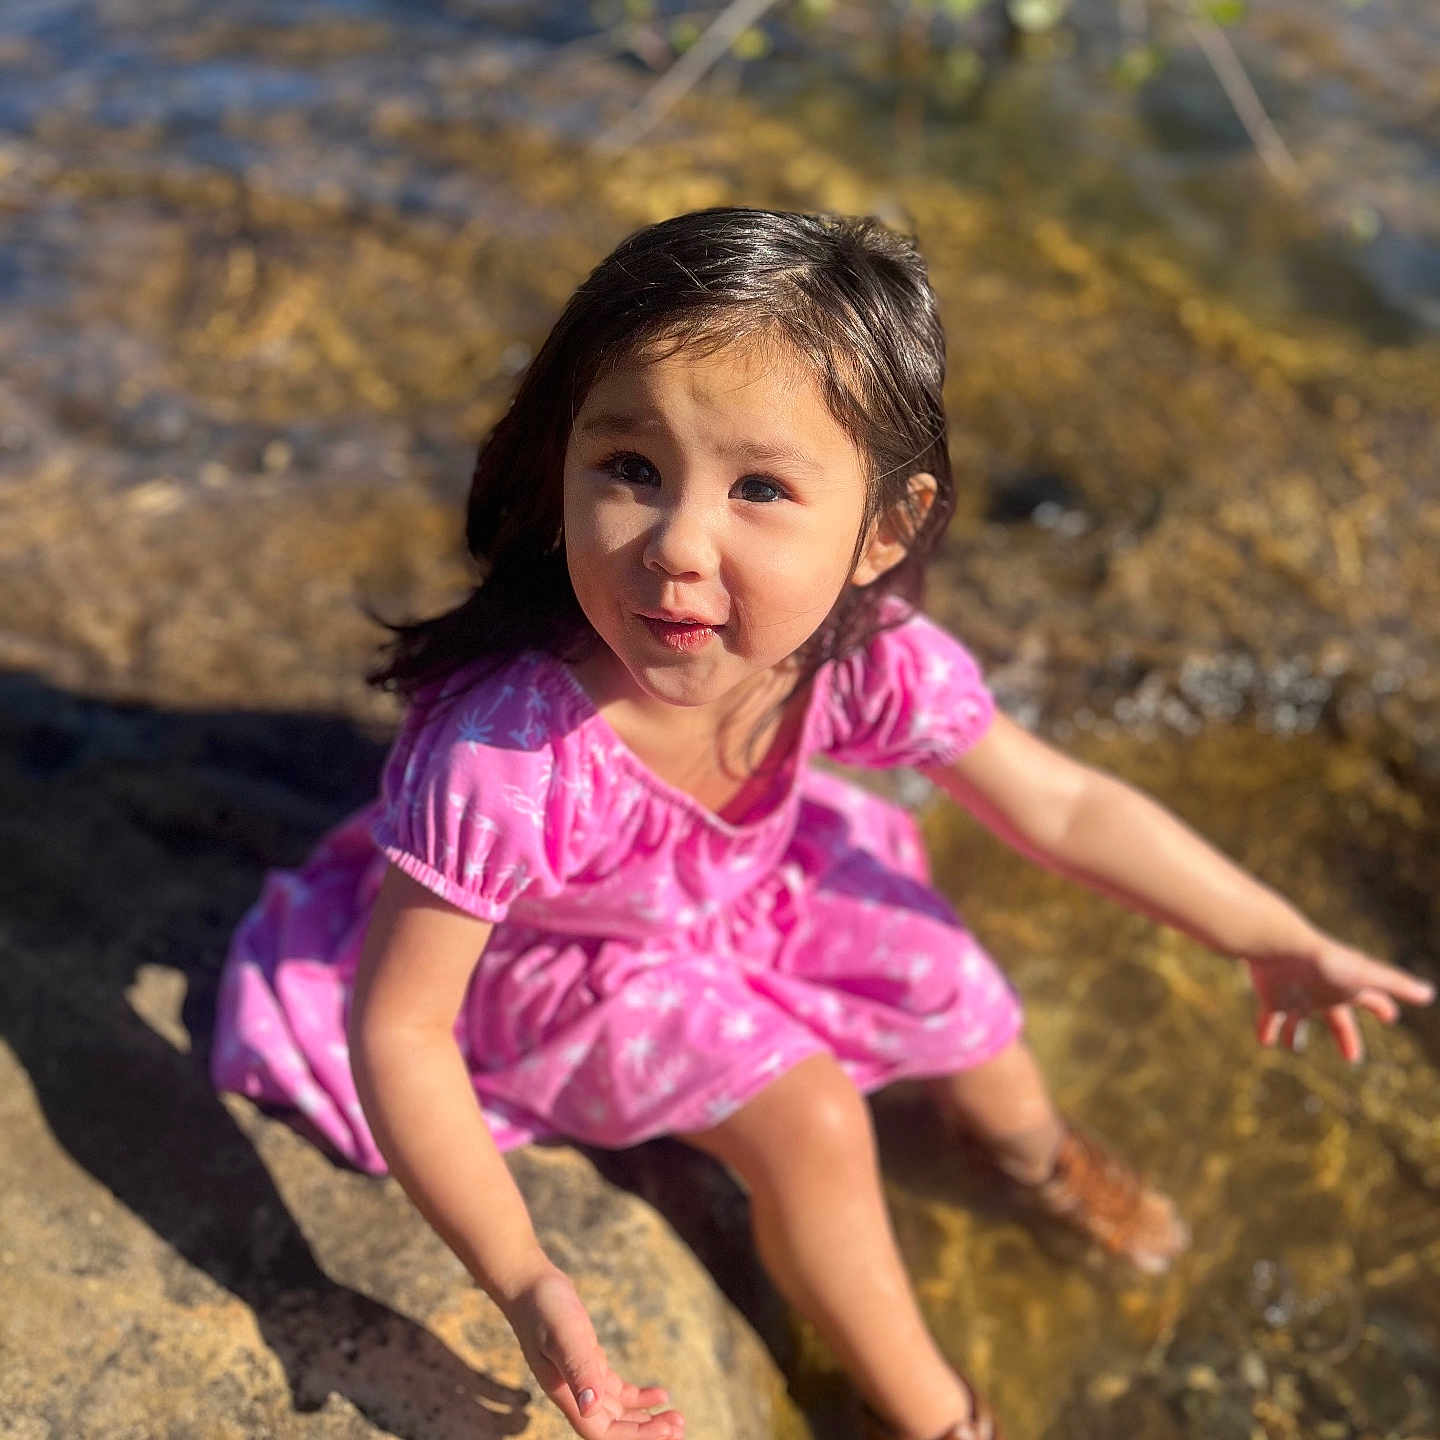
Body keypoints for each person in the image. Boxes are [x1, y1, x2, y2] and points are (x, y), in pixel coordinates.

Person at [211, 207, 1433, 1440]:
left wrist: (1268, 937)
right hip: (581, 960)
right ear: (558, 461)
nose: (680, 545)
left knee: (968, 1003)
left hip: (752, 885)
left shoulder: (852, 656)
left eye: (760, 488)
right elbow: (403, 1027)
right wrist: (527, 1277)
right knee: (811, 1119)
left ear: (881, 532)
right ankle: (936, 1413)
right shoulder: (506, 753)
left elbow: (1059, 803)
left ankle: (1038, 1161)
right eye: (630, 467)